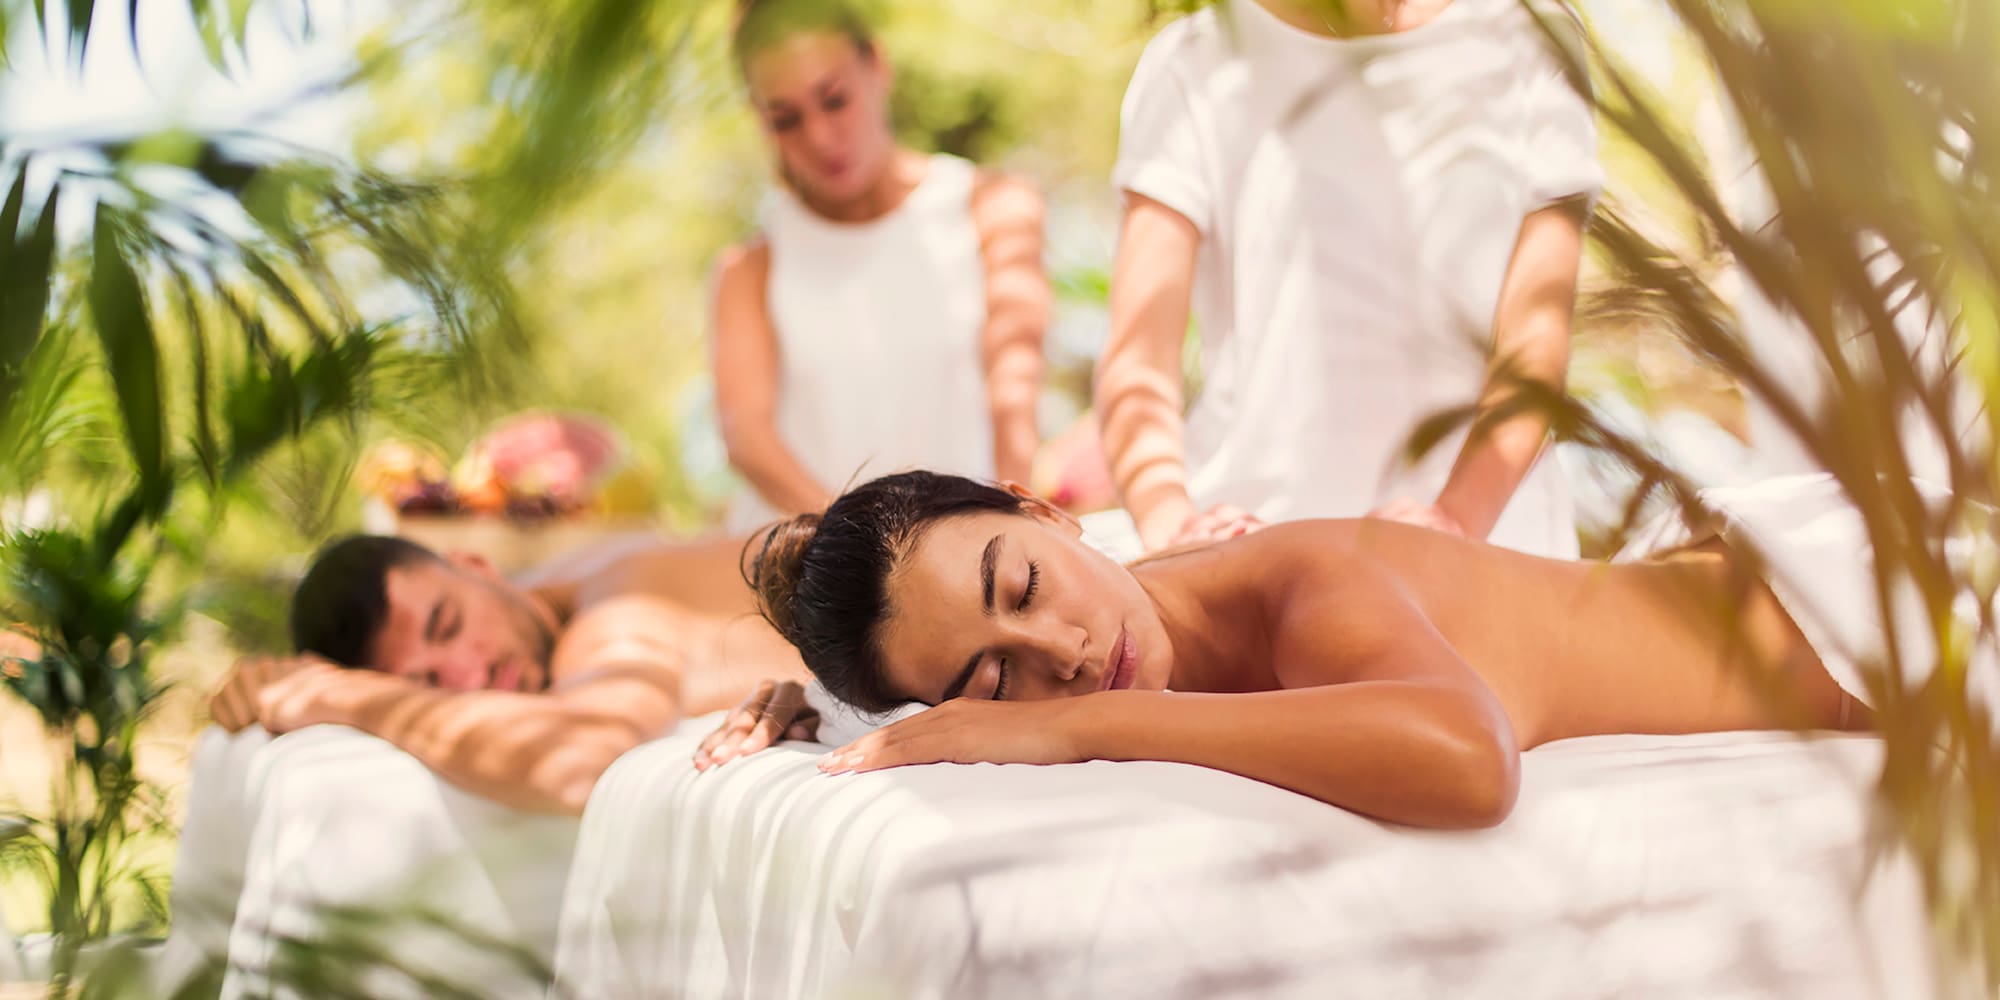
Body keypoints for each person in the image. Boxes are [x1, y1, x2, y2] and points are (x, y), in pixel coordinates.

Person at [699, 470, 1876, 830]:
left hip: (1856, 607)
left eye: (1025, 583)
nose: (1059, 650)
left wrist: (1066, 723)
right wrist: (808, 704)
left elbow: (1466, 761)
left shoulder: (1301, 574)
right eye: (993, 677)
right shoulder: (1124, 610)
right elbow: (922, 674)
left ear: (1053, 515)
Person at [1097, 0, 1599, 555]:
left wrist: (1454, 523)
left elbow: (1536, 348)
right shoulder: (1195, 59)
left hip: (1488, 556)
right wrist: (1177, 532)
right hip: (1250, 555)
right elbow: (1138, 361)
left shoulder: (1532, 33)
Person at [712, 0, 1049, 533]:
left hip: (965, 555)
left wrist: (1005, 526)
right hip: (814, 578)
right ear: (759, 118)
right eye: (786, 119)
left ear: (878, 66)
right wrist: (860, 554)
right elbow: (748, 440)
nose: (821, 138)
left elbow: (1015, 388)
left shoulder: (993, 207)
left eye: (835, 99)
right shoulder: (750, 269)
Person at [205, 532, 809, 814]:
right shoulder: (576, 572)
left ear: (475, 564)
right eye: (427, 683)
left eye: (447, 623)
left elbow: (577, 761)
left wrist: (353, 695)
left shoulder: (613, 610)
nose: (473, 676)